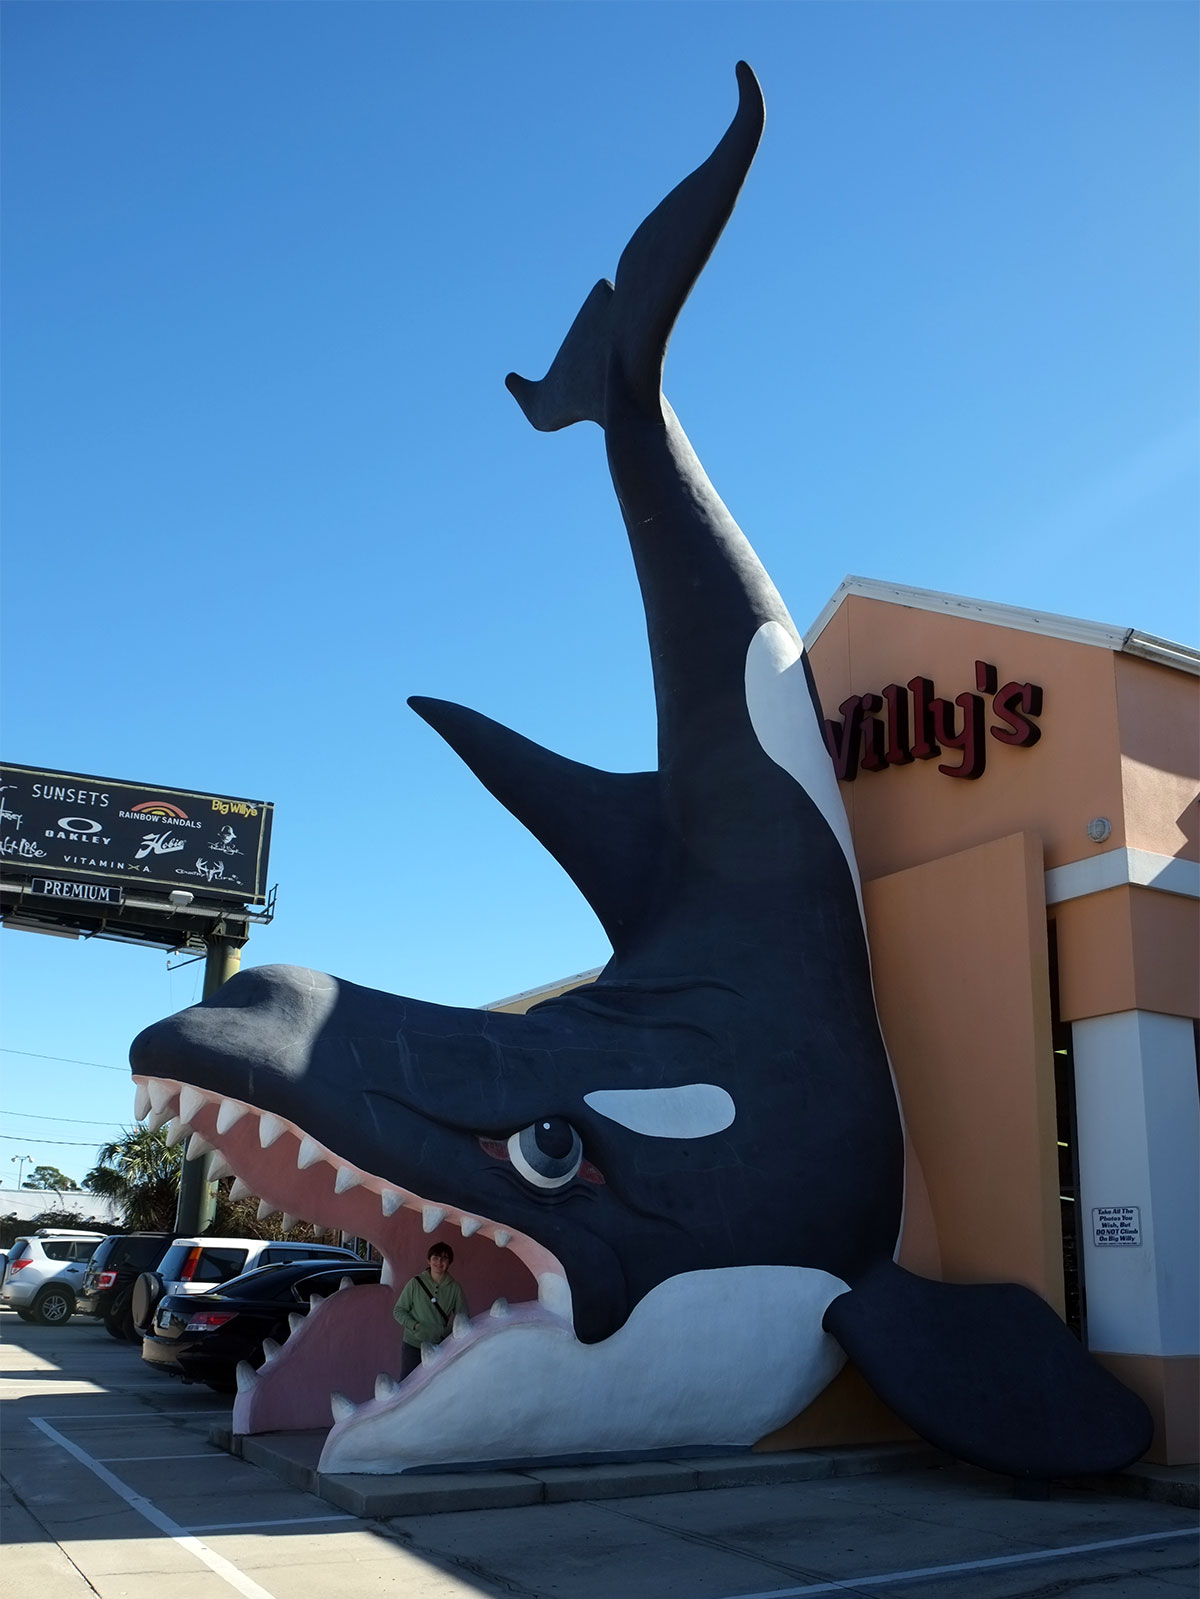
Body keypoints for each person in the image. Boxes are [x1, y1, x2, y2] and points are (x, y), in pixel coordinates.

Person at [392, 1242, 468, 1379]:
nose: (439, 1262)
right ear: (429, 1260)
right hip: (413, 1345)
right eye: (435, 1258)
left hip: (439, 1347)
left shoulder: (455, 1288)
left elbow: (463, 1318)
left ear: (449, 1262)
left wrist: (445, 1332)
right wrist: (414, 1325)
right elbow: (398, 1310)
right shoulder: (415, 1283)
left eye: (444, 1258)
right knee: (409, 1383)